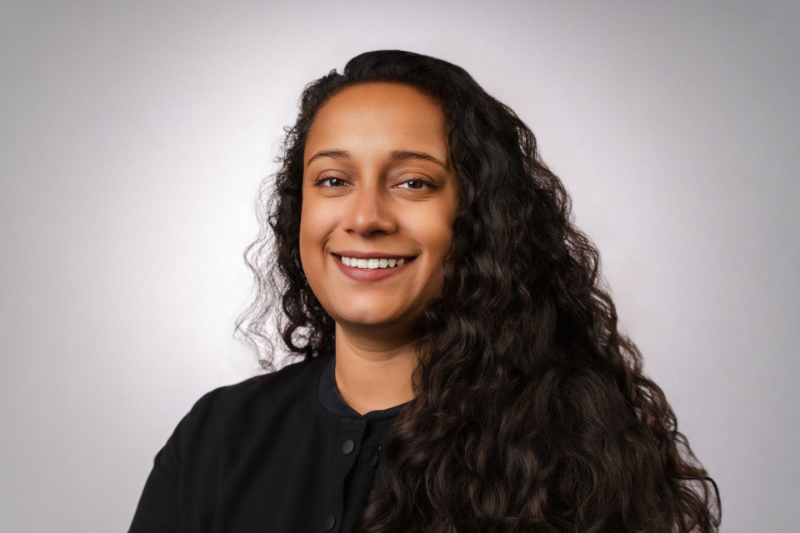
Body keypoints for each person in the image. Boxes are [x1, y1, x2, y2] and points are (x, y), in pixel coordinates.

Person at [128, 49, 721, 533]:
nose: (365, 218)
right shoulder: (216, 436)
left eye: (413, 182)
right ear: (298, 211)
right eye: (334, 180)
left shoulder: (574, 451)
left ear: (480, 216)